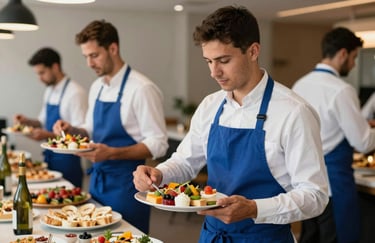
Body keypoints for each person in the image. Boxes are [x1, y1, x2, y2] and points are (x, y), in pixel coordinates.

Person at [133, 6, 329, 242]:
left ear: (253, 51)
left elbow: (315, 196)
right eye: (208, 61)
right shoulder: (210, 105)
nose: (214, 72)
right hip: (213, 235)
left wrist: (254, 208)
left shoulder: (294, 112)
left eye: (224, 60)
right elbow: (186, 161)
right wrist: (158, 174)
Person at [53, 20, 168, 234]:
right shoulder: (97, 86)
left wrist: (112, 153)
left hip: (128, 186)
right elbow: (90, 127)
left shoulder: (142, 89)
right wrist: (73, 130)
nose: (89, 63)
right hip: (97, 182)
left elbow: (159, 143)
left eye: (94, 55)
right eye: (86, 56)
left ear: (113, 49)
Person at [292, 27, 375, 243]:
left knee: (310, 238)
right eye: (354, 57)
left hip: (305, 184)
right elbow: (363, 142)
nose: (354, 64)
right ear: (343, 54)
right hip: (333, 186)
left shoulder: (299, 84)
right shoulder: (341, 90)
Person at [14, 47, 87, 187]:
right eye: (37, 74)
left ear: (55, 67)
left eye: (42, 73)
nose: (40, 78)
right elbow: (42, 122)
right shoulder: (49, 90)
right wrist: (26, 121)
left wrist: (46, 135)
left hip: (68, 162)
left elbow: (81, 138)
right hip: (50, 158)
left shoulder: (75, 93)